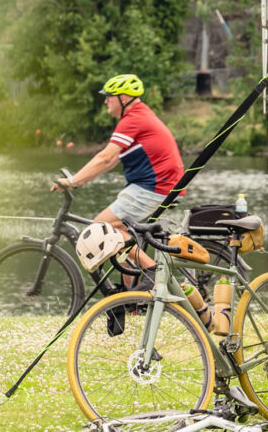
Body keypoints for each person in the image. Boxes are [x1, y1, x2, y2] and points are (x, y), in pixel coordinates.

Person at [50, 74, 184, 290]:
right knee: (122, 235)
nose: (105, 101)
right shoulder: (139, 116)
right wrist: (80, 180)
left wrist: (72, 181)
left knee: (101, 227)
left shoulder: (133, 119)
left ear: (123, 98)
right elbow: (110, 161)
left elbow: (104, 158)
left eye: (109, 96)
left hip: (155, 186)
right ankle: (131, 297)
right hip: (157, 185)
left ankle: (152, 271)